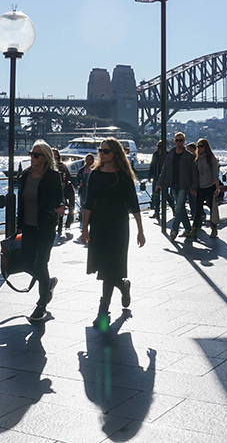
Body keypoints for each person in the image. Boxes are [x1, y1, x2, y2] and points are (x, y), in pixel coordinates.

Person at [80, 137, 146, 329]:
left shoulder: (123, 175)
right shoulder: (95, 174)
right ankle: (123, 286)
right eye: (100, 150)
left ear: (115, 154)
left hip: (118, 225)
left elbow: (134, 204)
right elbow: (89, 202)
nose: (102, 153)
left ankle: (103, 312)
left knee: (109, 268)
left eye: (106, 151)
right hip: (99, 225)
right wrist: (84, 228)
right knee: (104, 268)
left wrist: (141, 231)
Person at [18, 140, 67, 322]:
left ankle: (41, 304)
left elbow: (58, 199)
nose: (32, 157)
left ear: (45, 158)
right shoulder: (25, 175)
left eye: (36, 155)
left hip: (46, 226)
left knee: (40, 264)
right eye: (31, 153)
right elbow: (20, 202)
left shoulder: (52, 176)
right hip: (28, 226)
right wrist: (18, 223)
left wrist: (59, 207)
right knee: (25, 263)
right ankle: (48, 284)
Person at [160, 133, 198, 241]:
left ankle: (174, 230)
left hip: (184, 185)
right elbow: (164, 169)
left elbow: (194, 173)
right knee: (181, 209)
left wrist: (194, 187)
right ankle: (188, 229)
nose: (178, 142)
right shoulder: (171, 155)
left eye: (180, 140)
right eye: (177, 140)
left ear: (184, 141)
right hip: (173, 184)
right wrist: (159, 183)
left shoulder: (189, 156)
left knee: (179, 207)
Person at [193, 139, 221, 238]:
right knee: (198, 208)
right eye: (198, 146)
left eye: (201, 146)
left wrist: (217, 188)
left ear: (206, 147)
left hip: (210, 186)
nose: (199, 148)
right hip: (200, 187)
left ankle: (214, 228)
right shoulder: (197, 159)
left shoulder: (211, 159)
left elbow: (215, 174)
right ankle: (195, 229)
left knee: (212, 208)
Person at [76, 153, 95, 232]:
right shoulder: (82, 170)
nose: (88, 161)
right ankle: (83, 222)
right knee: (83, 206)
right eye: (87, 159)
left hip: (91, 191)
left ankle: (90, 222)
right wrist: (79, 184)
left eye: (90, 159)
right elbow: (77, 178)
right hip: (83, 190)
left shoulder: (94, 169)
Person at [147, 141, 165, 219]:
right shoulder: (155, 154)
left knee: (166, 195)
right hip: (156, 176)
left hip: (164, 178)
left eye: (160, 146)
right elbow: (152, 165)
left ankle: (173, 207)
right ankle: (156, 212)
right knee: (155, 194)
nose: (158, 148)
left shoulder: (166, 155)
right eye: (158, 146)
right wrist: (149, 176)